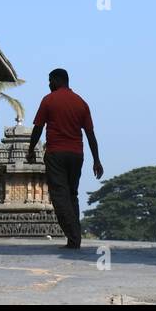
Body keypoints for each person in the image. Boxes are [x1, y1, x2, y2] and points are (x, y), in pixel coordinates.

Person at [27, 68, 102, 249]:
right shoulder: (81, 103)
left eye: (50, 80)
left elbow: (38, 127)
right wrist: (96, 160)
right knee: (72, 194)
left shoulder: (48, 100)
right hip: (77, 155)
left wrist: (30, 149)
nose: (49, 84)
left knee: (59, 196)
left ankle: (74, 235)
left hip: (56, 154)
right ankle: (73, 237)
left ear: (58, 80)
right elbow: (90, 134)